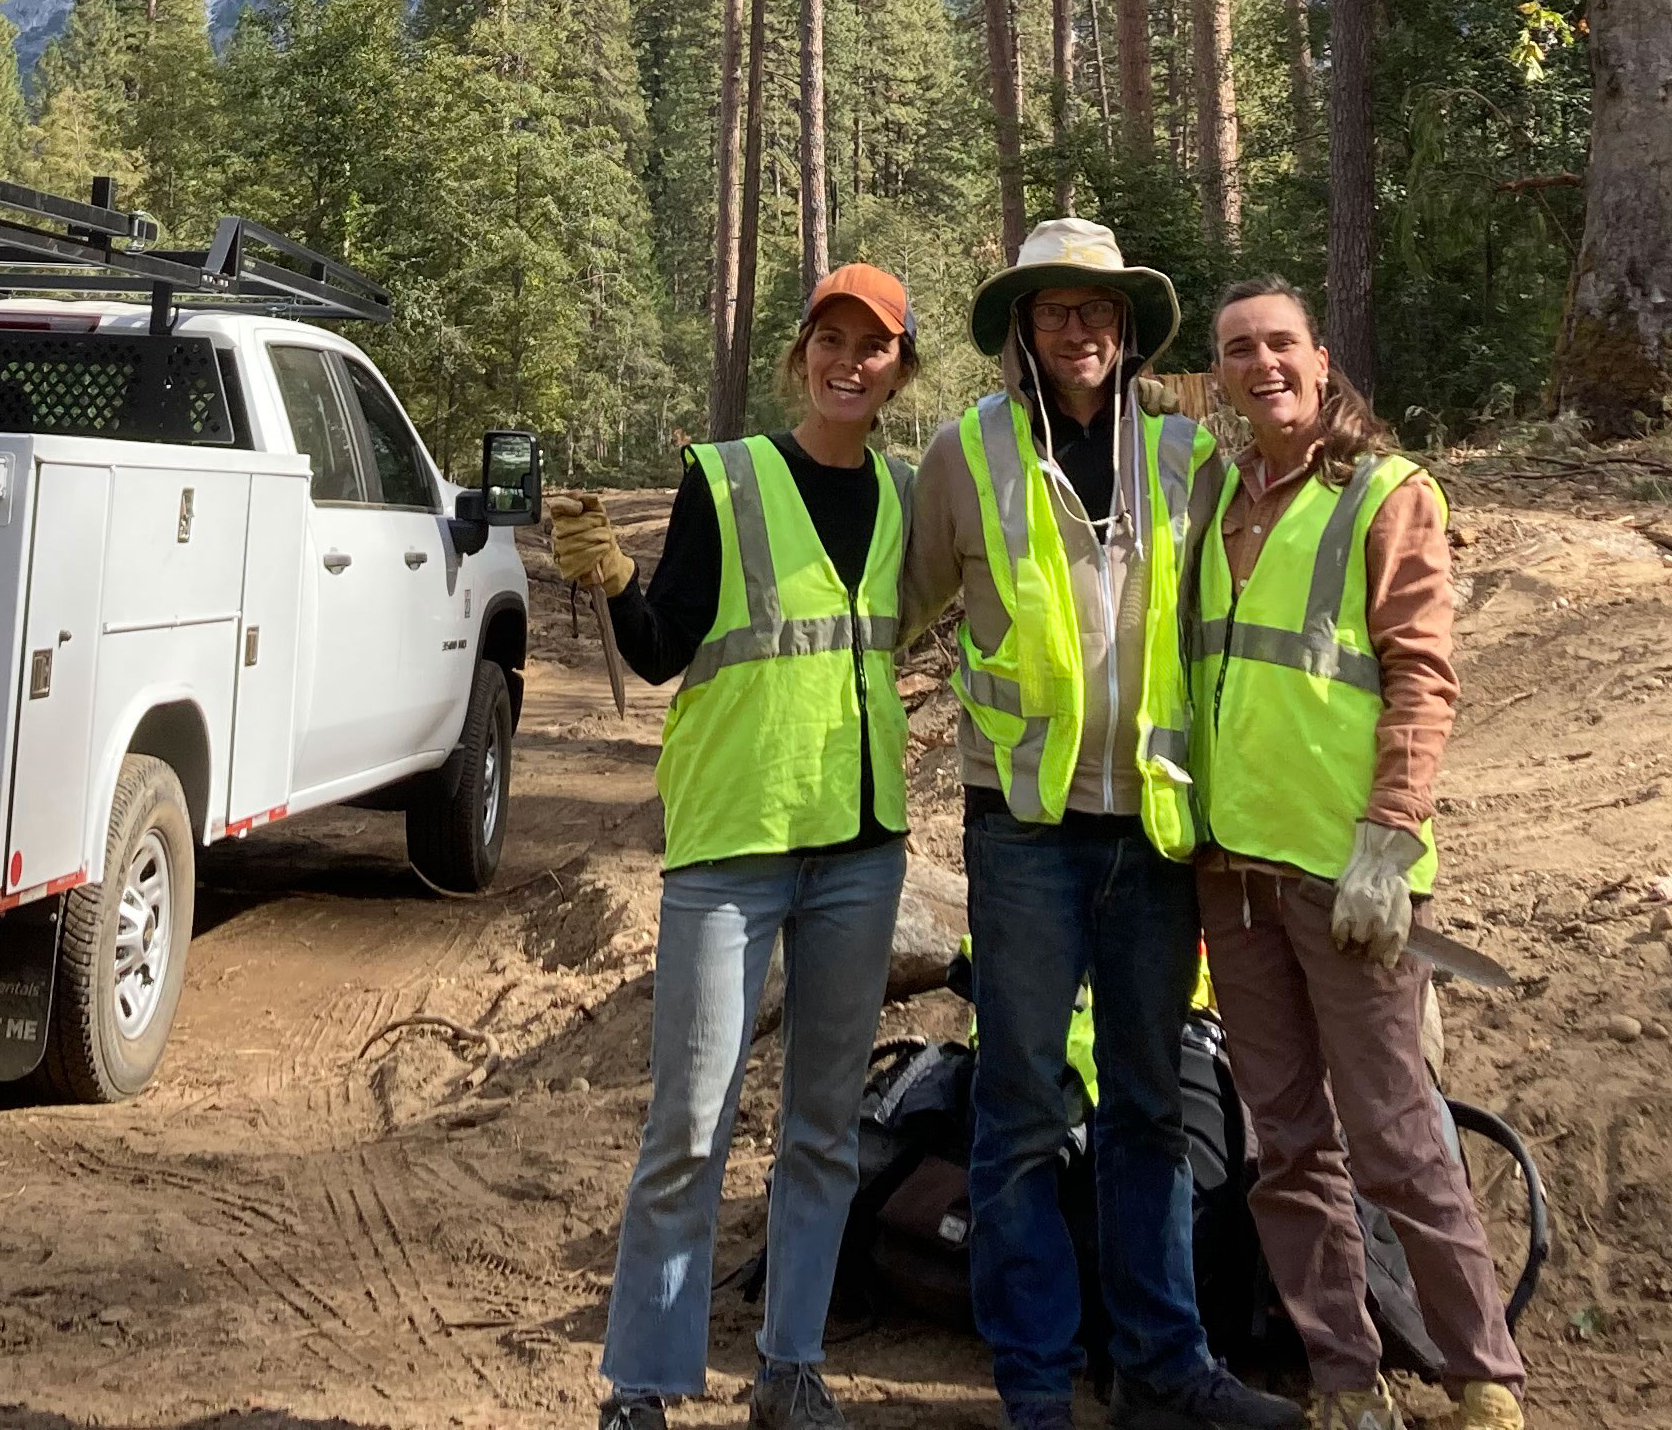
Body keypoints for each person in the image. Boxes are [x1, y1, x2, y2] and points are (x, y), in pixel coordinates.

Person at [903, 219, 1294, 1430]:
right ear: (1023, 327)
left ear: (1127, 329)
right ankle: (1035, 1385)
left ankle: (1164, 1367)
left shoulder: (1187, 458)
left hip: (1157, 830)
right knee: (1020, 1109)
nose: (1079, 327)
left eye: (1098, 308)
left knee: (1148, 1103)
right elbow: (899, 607)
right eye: (1055, 307)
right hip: (1023, 829)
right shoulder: (965, 451)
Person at [545, 266, 927, 1430]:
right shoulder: (727, 476)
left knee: (823, 1126)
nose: (848, 359)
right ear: (800, 353)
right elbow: (661, 650)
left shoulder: (911, 496)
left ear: (899, 368)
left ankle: (791, 1367)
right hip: (733, 844)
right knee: (691, 1124)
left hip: (861, 847)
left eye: (873, 344)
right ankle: (644, 1385)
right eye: (830, 337)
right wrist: (613, 580)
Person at [1184, 278, 1528, 1430]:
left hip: (1349, 883)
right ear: (1221, 373)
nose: (1261, 364)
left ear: (1321, 360)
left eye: (1280, 343)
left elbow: (1424, 674)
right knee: (1286, 1146)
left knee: (1396, 1133)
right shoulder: (1222, 500)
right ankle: (1346, 1379)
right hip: (1234, 880)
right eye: (1239, 350)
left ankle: (1483, 1375)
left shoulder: (1387, 494)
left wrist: (1391, 831)